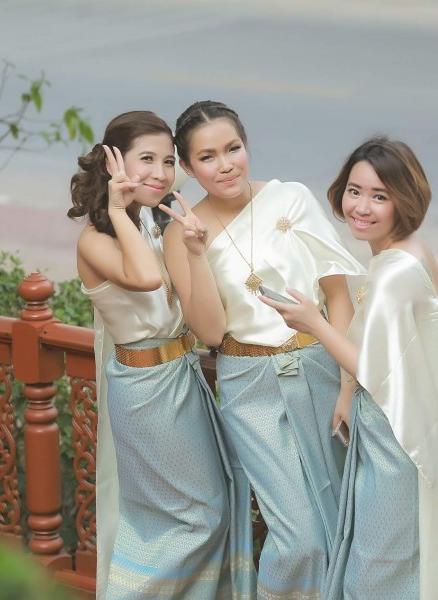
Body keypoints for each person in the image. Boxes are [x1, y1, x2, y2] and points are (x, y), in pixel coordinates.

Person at [261, 136, 438, 599]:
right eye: (355, 191)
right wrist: (345, 394)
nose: (361, 206)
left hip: (397, 439)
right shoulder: (410, 253)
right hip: (402, 427)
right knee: (396, 566)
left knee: (376, 572)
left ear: (405, 199)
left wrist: (313, 323)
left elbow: (371, 366)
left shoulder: (393, 274)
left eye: (379, 196)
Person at [163, 100, 366, 599]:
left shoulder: (291, 199)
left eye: (233, 148)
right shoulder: (179, 233)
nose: (226, 164)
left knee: (345, 523)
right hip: (248, 385)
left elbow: (339, 298)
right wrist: (195, 251)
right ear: (187, 169)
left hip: (320, 368)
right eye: (207, 157)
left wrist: (347, 387)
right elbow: (211, 333)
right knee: (299, 538)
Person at [68, 111, 252, 599]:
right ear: (113, 165)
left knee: (210, 506)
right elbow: (146, 277)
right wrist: (118, 202)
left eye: (168, 162)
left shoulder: (153, 221)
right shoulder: (94, 239)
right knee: (191, 517)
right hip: (146, 388)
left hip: (183, 376)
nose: (160, 173)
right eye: (145, 160)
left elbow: (189, 306)